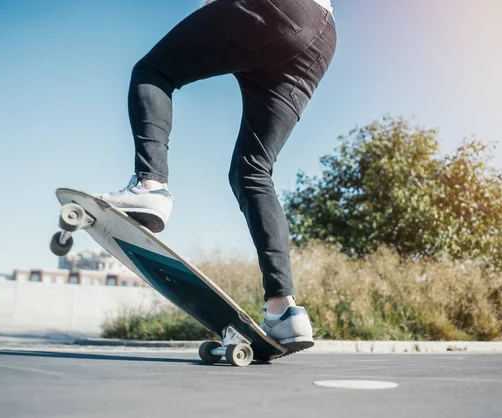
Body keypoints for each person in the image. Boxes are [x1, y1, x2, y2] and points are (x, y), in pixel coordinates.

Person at [99, 0, 336, 352]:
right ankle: (283, 309)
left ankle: (150, 185)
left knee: (154, 71)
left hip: (275, 11)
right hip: (320, 38)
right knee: (251, 171)